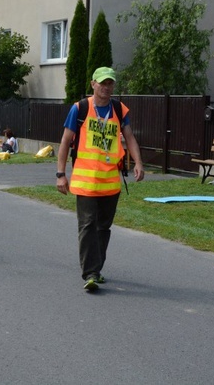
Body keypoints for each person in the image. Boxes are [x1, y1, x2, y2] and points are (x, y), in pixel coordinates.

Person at [55, 67, 144, 291]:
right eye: (102, 83)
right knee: (87, 225)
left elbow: (130, 138)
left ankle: (97, 268)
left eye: (110, 83)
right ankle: (91, 273)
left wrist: (139, 163)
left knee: (103, 227)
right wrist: (60, 174)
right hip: (85, 182)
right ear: (93, 84)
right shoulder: (80, 108)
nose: (106, 87)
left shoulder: (118, 109)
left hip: (111, 182)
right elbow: (65, 141)